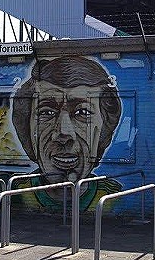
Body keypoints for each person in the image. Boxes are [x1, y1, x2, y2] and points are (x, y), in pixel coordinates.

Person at [12, 56, 122, 185]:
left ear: (104, 129)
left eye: (82, 112)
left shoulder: (117, 198)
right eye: (47, 112)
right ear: (26, 129)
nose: (64, 133)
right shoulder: (13, 196)